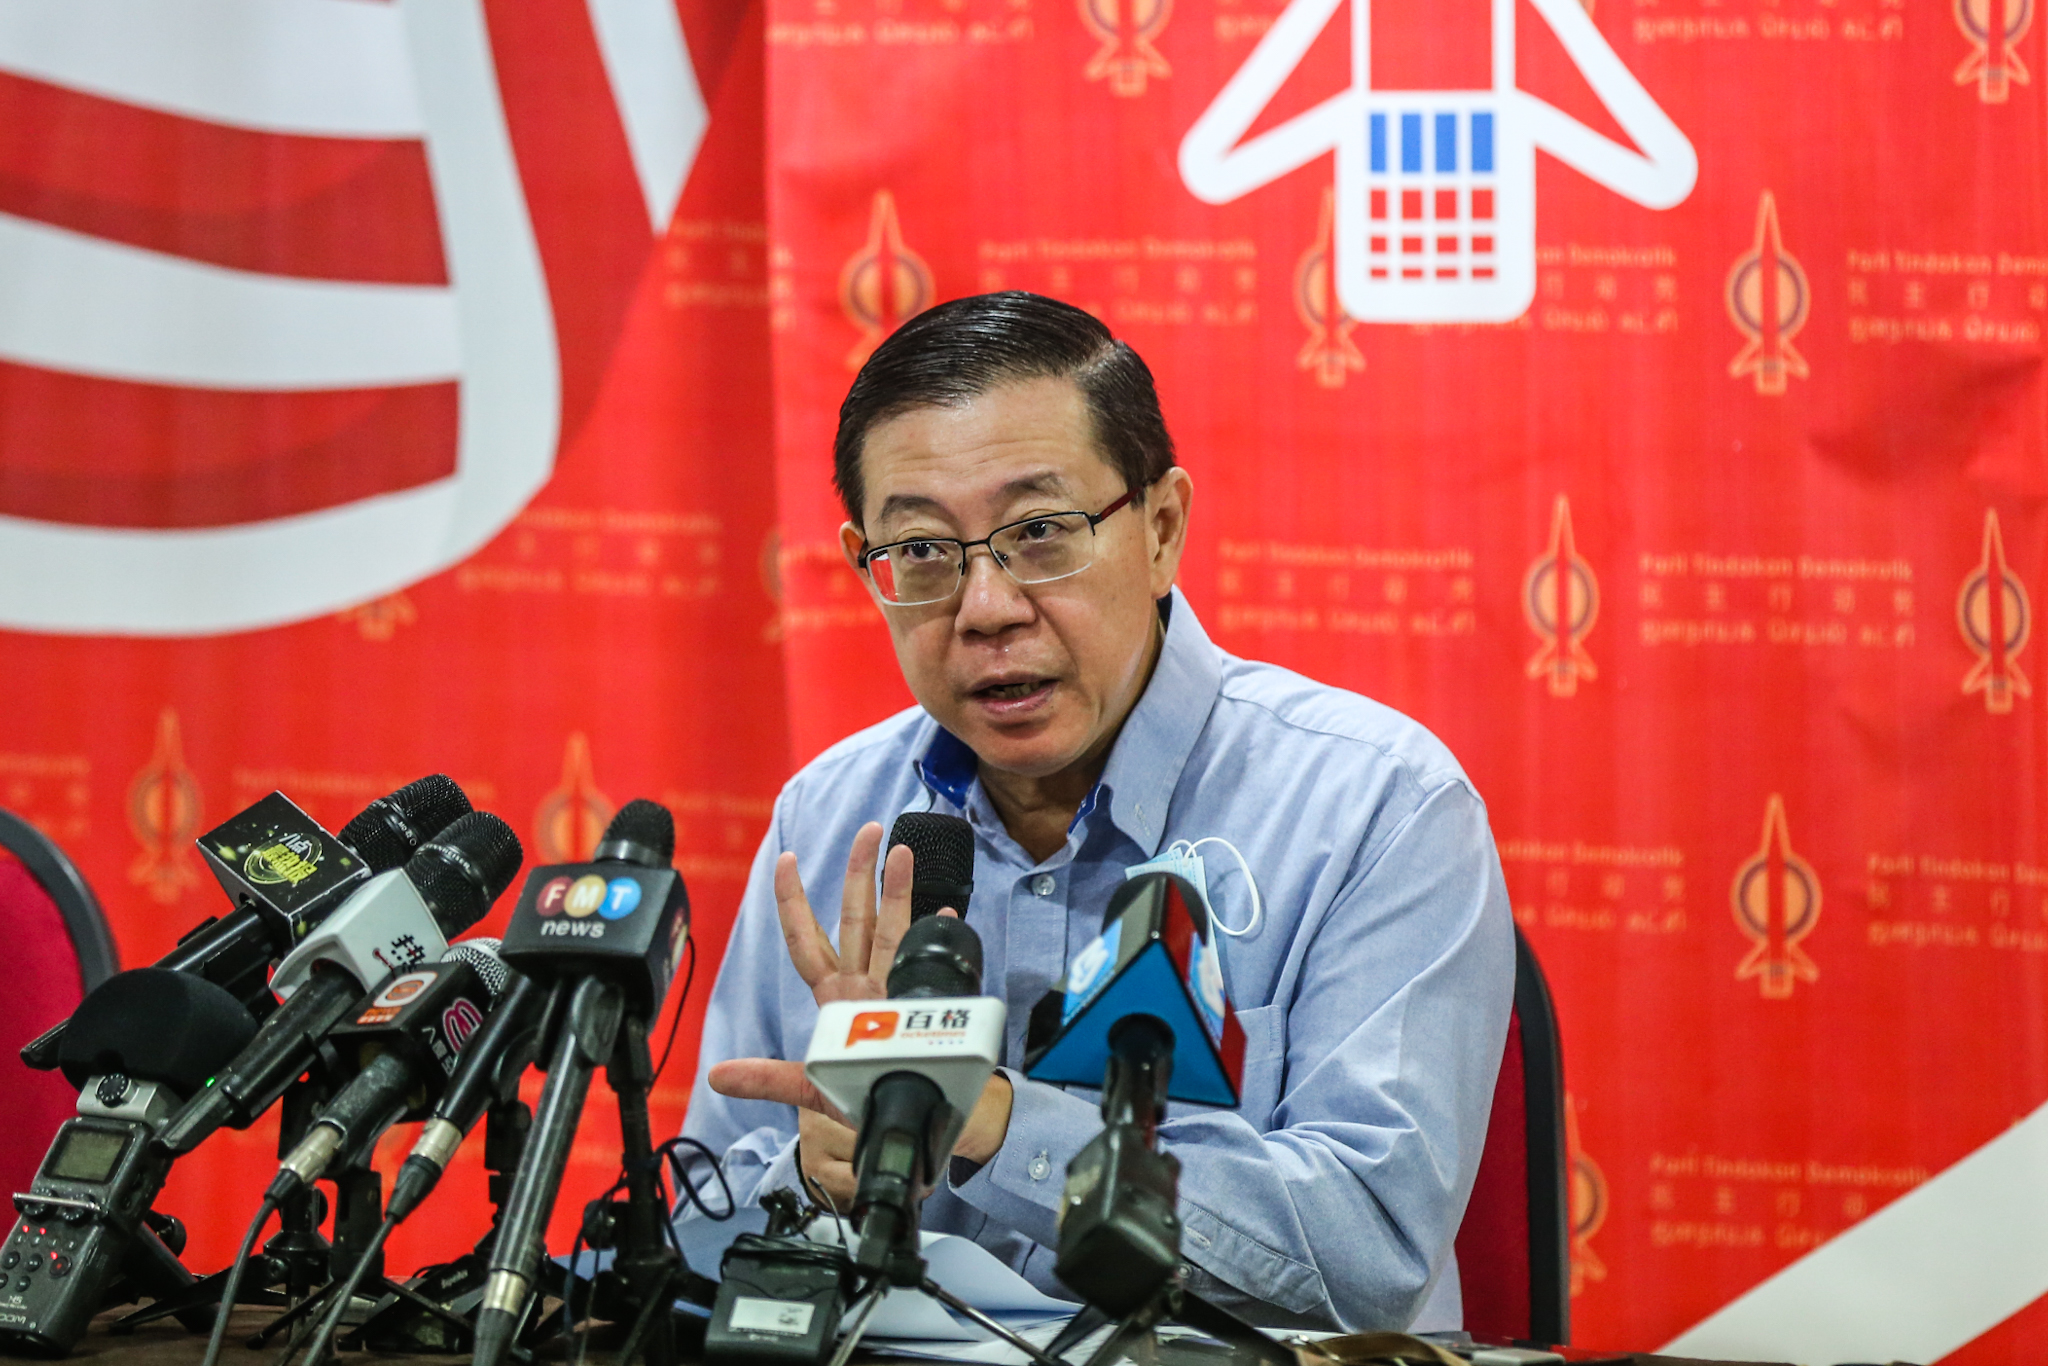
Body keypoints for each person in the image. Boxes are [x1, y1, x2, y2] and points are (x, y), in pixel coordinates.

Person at [678, 291, 1513, 1331]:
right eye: (925, 552)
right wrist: (814, 1183)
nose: (984, 607)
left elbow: (1366, 1248)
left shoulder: (1372, 803)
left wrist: (986, 1119)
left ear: (1159, 528)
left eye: (1038, 533)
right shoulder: (834, 815)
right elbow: (696, 1219)